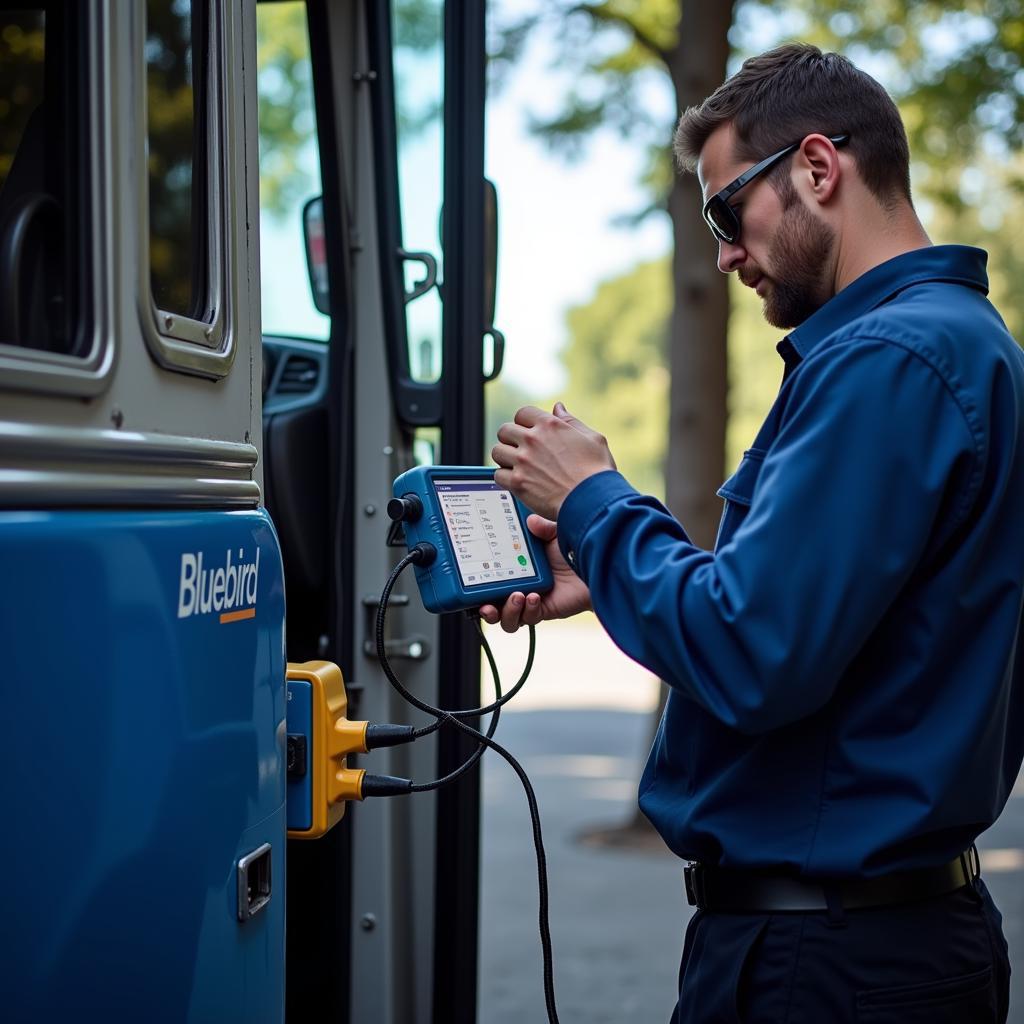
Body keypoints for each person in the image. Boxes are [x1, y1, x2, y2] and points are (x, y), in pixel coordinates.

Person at [483, 43, 1023, 1023]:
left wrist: (597, 498)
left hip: (828, 961)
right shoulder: (955, 343)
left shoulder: (889, 358)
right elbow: (829, 626)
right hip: (876, 944)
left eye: (725, 211)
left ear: (816, 168)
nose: (724, 254)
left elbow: (753, 650)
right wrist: (610, 567)